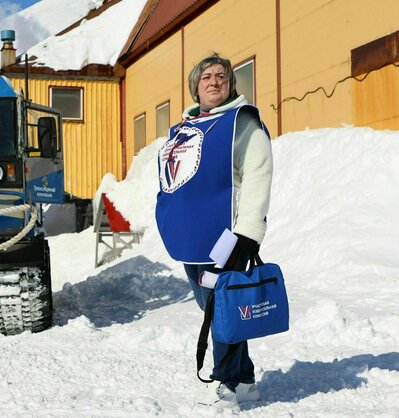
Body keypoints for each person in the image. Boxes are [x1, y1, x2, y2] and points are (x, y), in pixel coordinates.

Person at [154, 53, 273, 407]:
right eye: (206, 77)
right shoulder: (185, 130)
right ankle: (246, 380)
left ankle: (226, 383)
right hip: (192, 236)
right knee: (220, 305)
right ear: (196, 86)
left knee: (220, 307)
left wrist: (248, 233)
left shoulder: (242, 123)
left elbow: (258, 174)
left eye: (222, 76)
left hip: (227, 235)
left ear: (230, 84)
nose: (214, 81)